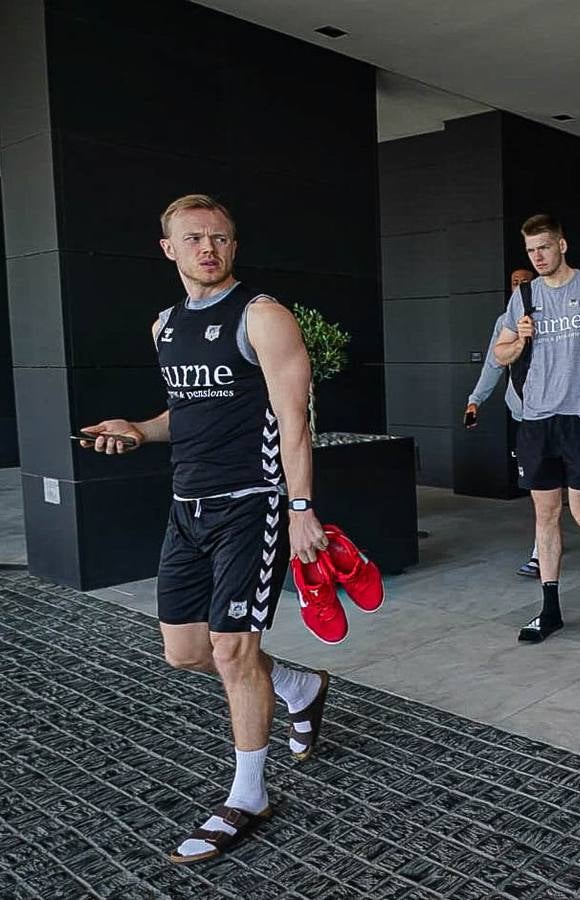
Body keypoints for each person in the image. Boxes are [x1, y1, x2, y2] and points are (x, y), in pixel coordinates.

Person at [80, 194, 330, 863]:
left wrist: (302, 509)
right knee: (185, 651)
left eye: (219, 238)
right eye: (193, 239)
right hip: (186, 506)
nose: (208, 249)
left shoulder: (263, 316)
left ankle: (248, 796)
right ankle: (300, 687)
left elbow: (295, 417)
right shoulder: (164, 325)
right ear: (169, 249)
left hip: (253, 503)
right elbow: (183, 411)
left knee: (231, 653)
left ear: (234, 246)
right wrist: (138, 429)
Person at [493, 214, 580, 643]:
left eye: (544, 248)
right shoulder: (524, 295)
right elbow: (499, 355)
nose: (538, 257)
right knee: (545, 515)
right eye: (531, 250)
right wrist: (520, 339)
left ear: (562, 245)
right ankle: (550, 609)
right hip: (536, 419)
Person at [467, 268, 541, 577]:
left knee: (559, 490)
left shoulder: (551, 314)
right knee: (538, 484)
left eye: (526, 282)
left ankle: (544, 548)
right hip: (523, 413)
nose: (521, 287)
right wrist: (475, 400)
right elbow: (493, 365)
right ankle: (542, 548)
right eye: (515, 283)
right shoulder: (504, 323)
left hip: (556, 413)